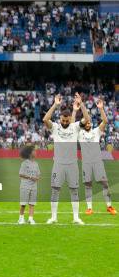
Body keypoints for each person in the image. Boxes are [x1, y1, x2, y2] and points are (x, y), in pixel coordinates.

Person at [43, 93, 89, 225]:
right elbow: (45, 120)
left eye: (67, 120)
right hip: (58, 164)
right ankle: (53, 217)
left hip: (72, 164)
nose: (64, 122)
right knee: (55, 190)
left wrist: (82, 105)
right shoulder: (56, 128)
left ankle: (75, 218)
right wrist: (55, 105)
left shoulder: (75, 127)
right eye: (63, 120)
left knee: (74, 190)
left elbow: (87, 118)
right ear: (60, 118)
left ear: (70, 119)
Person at [78, 99, 115, 215]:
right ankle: (89, 208)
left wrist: (101, 108)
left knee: (105, 183)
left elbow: (105, 121)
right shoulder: (79, 133)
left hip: (97, 162)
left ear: (92, 124)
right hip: (86, 163)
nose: (88, 124)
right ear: (84, 124)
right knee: (88, 184)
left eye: (90, 123)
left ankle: (109, 206)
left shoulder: (96, 132)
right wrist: (81, 104)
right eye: (87, 123)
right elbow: (78, 119)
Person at [18, 145, 40, 225]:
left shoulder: (36, 164)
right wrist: (31, 177)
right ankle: (21, 218)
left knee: (32, 203)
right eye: (34, 151)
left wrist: (37, 178)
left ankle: (31, 219)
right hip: (25, 186)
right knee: (23, 204)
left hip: (34, 186)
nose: (35, 152)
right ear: (30, 153)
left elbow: (38, 174)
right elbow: (20, 174)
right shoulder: (24, 163)